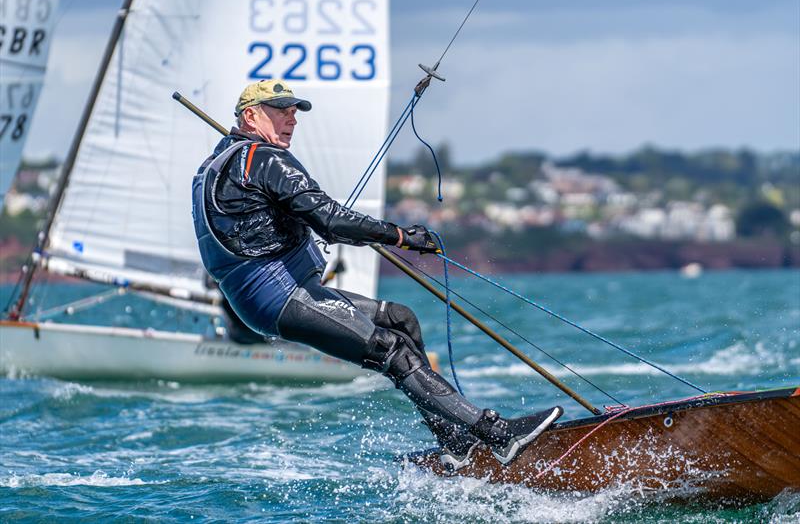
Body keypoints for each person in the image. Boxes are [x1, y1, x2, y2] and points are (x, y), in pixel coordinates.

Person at [190, 80, 562, 472]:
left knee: (401, 319)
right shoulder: (262, 160)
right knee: (392, 351)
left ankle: (453, 441)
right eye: (281, 111)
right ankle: (499, 434)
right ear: (250, 116)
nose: (291, 120)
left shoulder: (217, 166)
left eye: (294, 112)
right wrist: (401, 235)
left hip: (274, 295)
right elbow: (331, 221)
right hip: (281, 296)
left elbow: (256, 223)